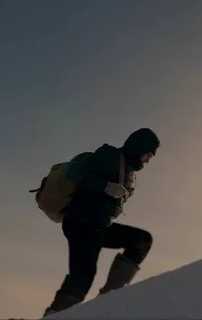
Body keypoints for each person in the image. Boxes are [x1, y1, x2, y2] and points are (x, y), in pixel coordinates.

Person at [43, 128, 160, 317]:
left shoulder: (127, 170)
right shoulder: (110, 156)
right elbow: (75, 174)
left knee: (140, 240)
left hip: (97, 226)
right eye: (148, 155)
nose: (147, 160)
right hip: (82, 223)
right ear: (139, 149)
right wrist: (105, 187)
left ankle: (109, 298)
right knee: (80, 282)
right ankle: (54, 315)